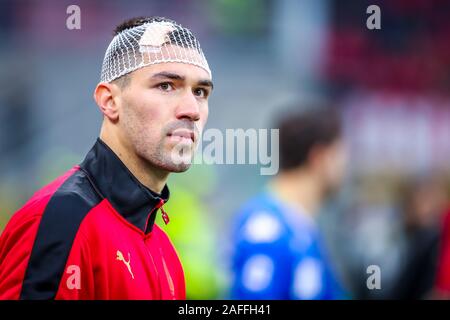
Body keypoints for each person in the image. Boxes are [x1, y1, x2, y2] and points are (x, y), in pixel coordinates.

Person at [0, 16, 213, 300]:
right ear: (109, 101)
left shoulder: (165, 253)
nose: (192, 110)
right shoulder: (60, 221)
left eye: (200, 92)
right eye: (166, 86)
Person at [230, 107, 347, 299]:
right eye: (340, 154)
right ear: (320, 158)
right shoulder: (267, 228)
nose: (345, 166)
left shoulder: (300, 226)